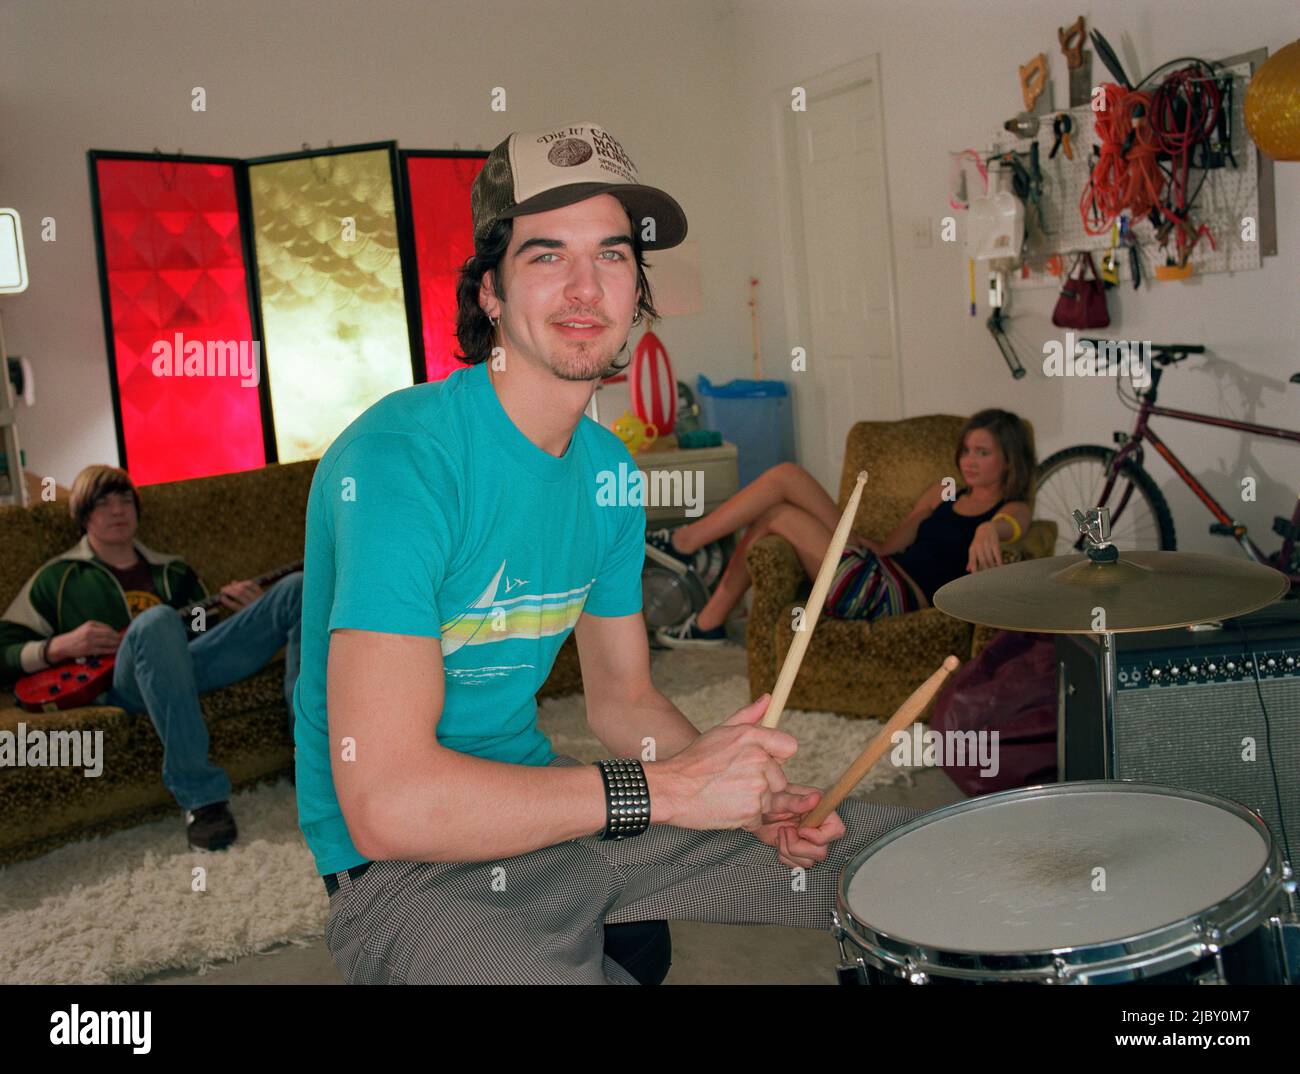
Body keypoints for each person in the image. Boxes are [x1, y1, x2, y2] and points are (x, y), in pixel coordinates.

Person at [295, 121, 920, 986]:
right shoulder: (400, 461)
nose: (586, 286)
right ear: (488, 292)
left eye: (614, 256)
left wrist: (746, 798)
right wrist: (667, 793)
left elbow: (623, 702)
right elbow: (389, 804)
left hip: (558, 816)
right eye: (547, 255)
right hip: (407, 871)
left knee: (911, 861)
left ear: (639, 290)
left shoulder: (609, 474)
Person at [0, 465, 304, 850]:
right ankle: (202, 800)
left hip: (188, 669)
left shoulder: (172, 570)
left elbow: (201, 629)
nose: (117, 510)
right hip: (121, 685)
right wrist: (58, 646)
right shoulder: (58, 578)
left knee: (295, 588)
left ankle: (308, 756)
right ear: (82, 515)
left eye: (125, 500)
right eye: (103, 503)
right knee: (157, 619)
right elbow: (4, 649)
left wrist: (246, 610)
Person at [651, 410, 1036, 648]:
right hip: (879, 569)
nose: (969, 461)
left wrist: (990, 530)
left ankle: (688, 551)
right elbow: (893, 544)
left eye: (982, 453)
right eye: (966, 450)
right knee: (780, 492)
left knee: (779, 508)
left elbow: (1013, 526)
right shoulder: (945, 490)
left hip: (892, 598)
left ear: (1009, 460)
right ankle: (707, 619)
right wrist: (858, 542)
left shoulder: (1011, 507)